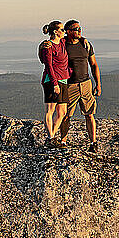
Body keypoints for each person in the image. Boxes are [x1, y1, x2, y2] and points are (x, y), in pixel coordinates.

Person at [58, 19, 101, 152]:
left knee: (89, 114)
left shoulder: (85, 44)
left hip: (86, 84)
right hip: (70, 85)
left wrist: (98, 84)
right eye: (76, 29)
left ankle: (93, 143)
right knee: (66, 116)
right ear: (68, 31)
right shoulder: (62, 44)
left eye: (80, 28)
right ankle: (63, 141)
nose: (79, 30)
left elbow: (93, 65)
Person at [38, 20, 71, 148]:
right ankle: (50, 137)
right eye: (62, 30)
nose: (64, 32)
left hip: (63, 79)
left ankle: (52, 135)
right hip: (51, 80)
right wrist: (54, 83)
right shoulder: (48, 47)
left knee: (62, 111)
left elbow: (72, 36)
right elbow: (49, 66)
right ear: (56, 32)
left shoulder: (62, 42)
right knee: (50, 110)